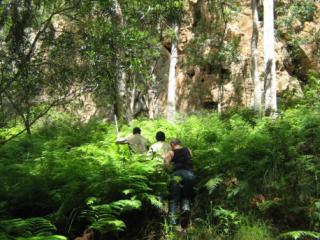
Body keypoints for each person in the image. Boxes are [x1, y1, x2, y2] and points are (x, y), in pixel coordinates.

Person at [165, 139, 195, 229]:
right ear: (180, 144)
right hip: (189, 175)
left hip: (176, 175)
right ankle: (185, 209)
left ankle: (172, 224)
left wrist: (170, 169)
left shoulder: (171, 152)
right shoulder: (188, 150)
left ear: (173, 144)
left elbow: (166, 165)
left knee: (173, 199)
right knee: (186, 195)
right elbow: (191, 160)